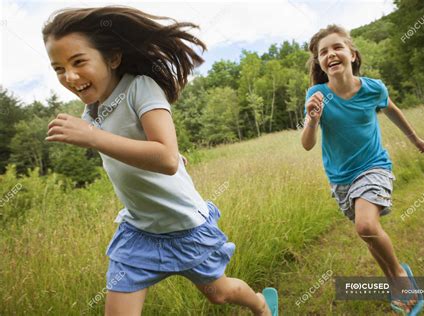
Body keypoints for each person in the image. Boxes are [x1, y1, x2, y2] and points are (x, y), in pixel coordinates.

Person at [42, 6, 273, 316]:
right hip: (138, 232)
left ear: (112, 57)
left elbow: (165, 159)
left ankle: (259, 304)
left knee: (220, 293)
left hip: (185, 227)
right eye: (58, 68)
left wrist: (94, 137)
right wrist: (169, 154)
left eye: (78, 61)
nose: (69, 76)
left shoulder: (140, 87)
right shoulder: (92, 112)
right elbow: (149, 152)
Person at [301, 24, 424, 315]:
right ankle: (392, 280)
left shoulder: (373, 88)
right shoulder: (318, 94)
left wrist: (415, 139)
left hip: (374, 167)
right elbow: (307, 144)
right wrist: (311, 119)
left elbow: (392, 110)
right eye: (323, 52)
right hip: (340, 179)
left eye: (337, 47)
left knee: (366, 226)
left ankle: (399, 276)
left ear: (352, 54)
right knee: (367, 233)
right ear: (320, 62)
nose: (331, 54)